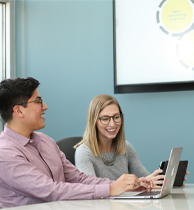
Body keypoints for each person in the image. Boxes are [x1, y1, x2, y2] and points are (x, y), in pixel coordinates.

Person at [0, 78, 152, 208]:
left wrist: (123, 187)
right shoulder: (5, 153)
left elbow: (79, 178)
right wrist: (111, 189)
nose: (45, 106)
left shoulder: (45, 141)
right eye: (38, 101)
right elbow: (51, 191)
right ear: (19, 111)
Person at [74, 94, 189, 187]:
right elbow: (92, 190)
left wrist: (167, 181)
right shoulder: (83, 152)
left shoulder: (125, 147)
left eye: (116, 117)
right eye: (105, 119)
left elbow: (146, 178)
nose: (112, 124)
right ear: (94, 122)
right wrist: (138, 183)